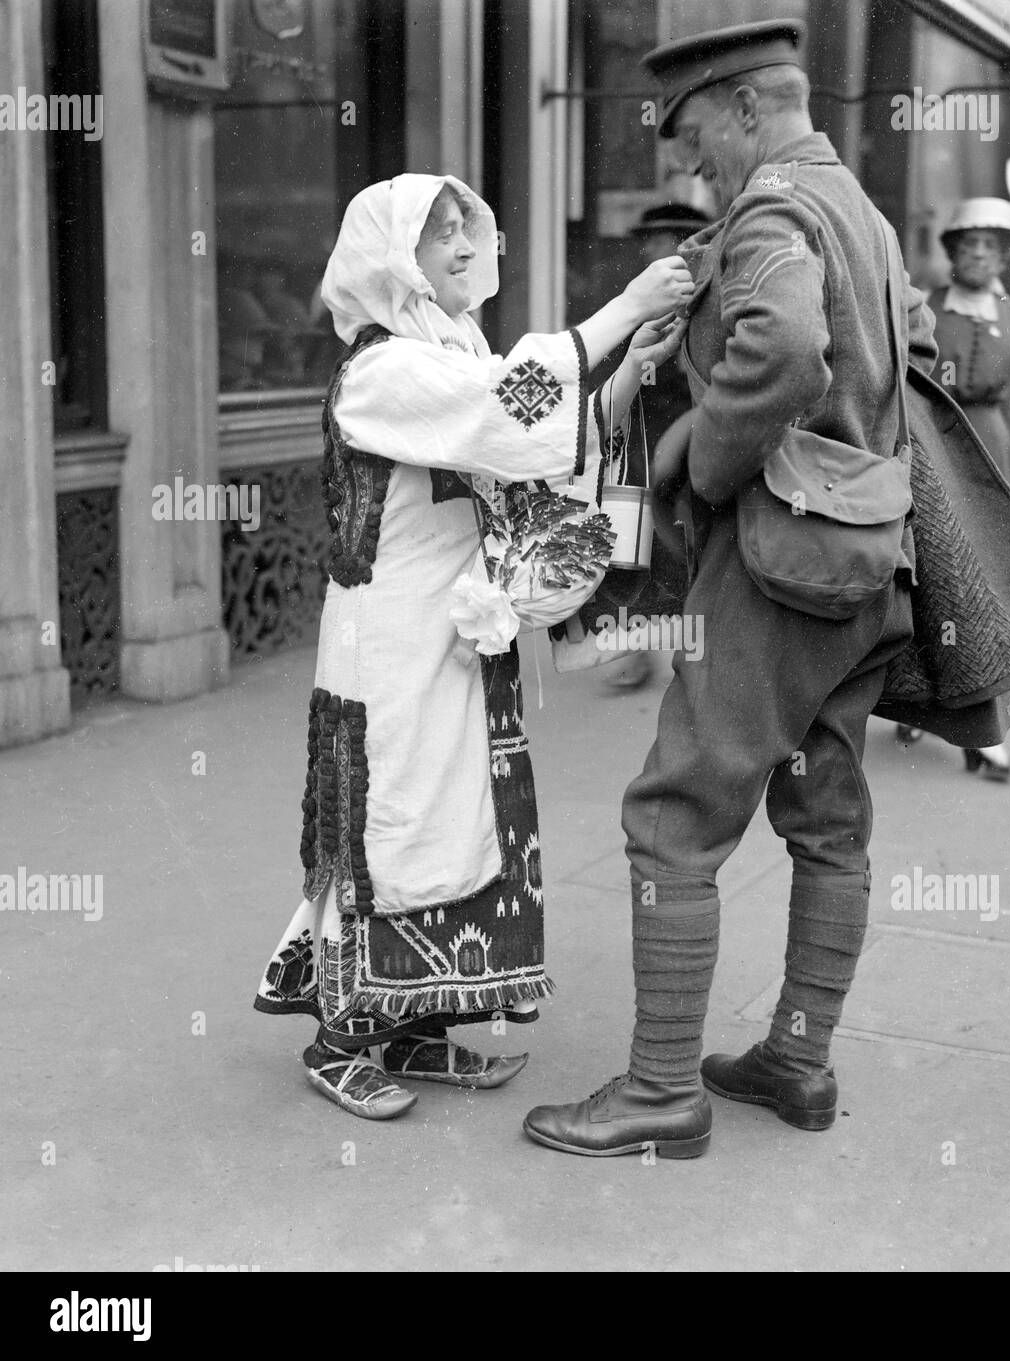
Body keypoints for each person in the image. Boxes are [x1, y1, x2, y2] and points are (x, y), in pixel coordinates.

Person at [523, 20, 939, 1158]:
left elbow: (790, 346)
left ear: (749, 107)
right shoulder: (861, 211)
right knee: (827, 816)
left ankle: (661, 1088)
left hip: (775, 564)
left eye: (696, 130)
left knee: (672, 817)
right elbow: (907, 354)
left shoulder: (769, 209)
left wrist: (696, 456)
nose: (688, 159)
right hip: (866, 562)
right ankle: (796, 1058)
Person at [253, 172, 693, 1120]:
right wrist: (623, 309)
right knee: (395, 826)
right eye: (436, 234)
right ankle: (338, 1037)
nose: (462, 248)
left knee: (469, 824)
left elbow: (532, 445)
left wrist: (621, 375)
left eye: (468, 228)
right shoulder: (382, 369)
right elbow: (506, 407)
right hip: (391, 648)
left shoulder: (454, 354)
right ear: (389, 260)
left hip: (456, 632)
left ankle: (418, 1026)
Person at [908, 197, 1010, 781]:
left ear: (1005, 256)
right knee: (926, 582)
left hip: (990, 452)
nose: (981, 255)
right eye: (970, 245)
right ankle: (916, 700)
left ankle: (983, 732)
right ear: (953, 254)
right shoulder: (924, 308)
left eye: (993, 246)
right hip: (932, 447)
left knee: (986, 594)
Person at [599, 203, 711, 692]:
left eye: (661, 238)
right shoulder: (634, 296)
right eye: (648, 239)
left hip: (689, 432)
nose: (650, 248)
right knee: (632, 540)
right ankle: (634, 645)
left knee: (687, 539)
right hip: (640, 433)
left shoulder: (707, 295)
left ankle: (693, 646)